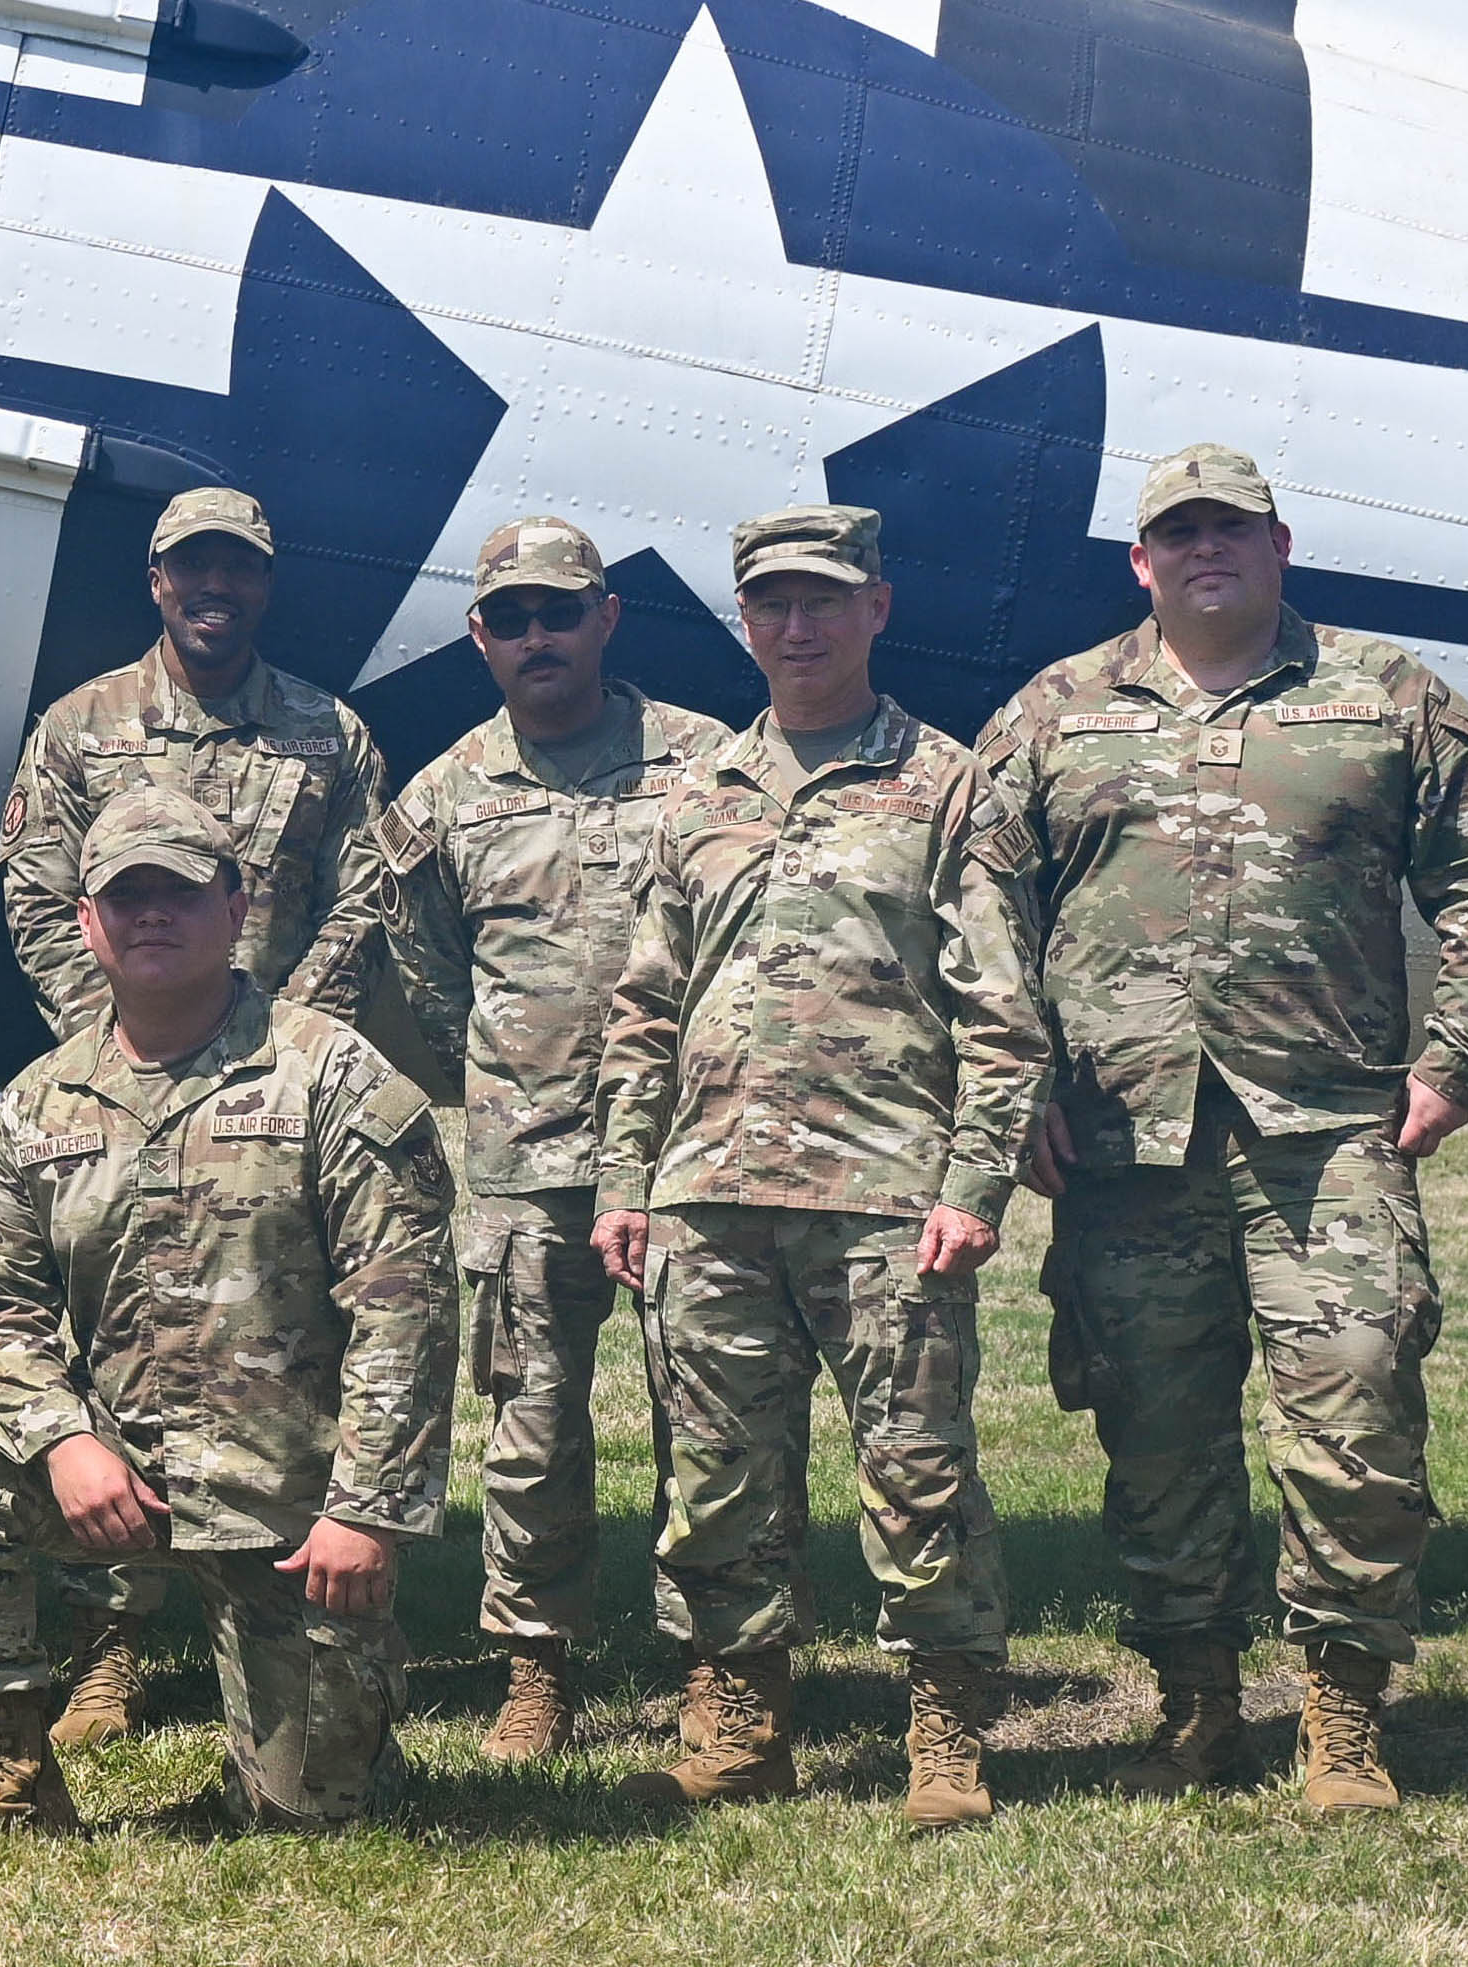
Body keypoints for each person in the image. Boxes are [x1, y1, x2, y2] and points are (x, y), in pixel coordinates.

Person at [971, 445, 1468, 1812]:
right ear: (1138, 559)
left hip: (1327, 1130)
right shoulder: (1055, 708)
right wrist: (1019, 1080)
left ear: (1278, 544)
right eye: (1177, 531)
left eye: (1228, 528)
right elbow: (974, 902)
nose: (1202, 549)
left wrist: (1456, 1054)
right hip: (1119, 1139)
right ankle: (1194, 1702)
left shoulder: (1386, 695)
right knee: (1153, 1435)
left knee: (1354, 1407)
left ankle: (1340, 1715)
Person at [0, 787, 453, 1841]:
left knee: (309, 1815)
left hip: (290, 1496)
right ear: (85, 922)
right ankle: (9, 1775)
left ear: (235, 909)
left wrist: (365, 1511)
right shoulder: (42, 1102)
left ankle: (349, 1737)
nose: (151, 916)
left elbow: (403, 1313)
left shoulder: (334, 1076)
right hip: (120, 1467)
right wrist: (63, 1440)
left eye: (178, 892)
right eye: (124, 897)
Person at [591, 504, 1040, 1830]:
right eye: (772, 604)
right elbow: (642, 1004)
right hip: (707, 1189)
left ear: (874, 608)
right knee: (713, 1477)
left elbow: (999, 1012)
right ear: (744, 621)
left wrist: (972, 1185)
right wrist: (624, 1178)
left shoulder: (945, 783)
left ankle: (945, 1733)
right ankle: (740, 1719)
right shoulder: (696, 795)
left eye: (822, 600)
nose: (796, 625)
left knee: (914, 1470)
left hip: (882, 1191)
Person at [281, 517, 731, 1758]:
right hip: (528, 1167)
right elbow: (431, 984)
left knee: (709, 1420)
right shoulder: (444, 794)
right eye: (512, 616)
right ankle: (536, 1667)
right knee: (532, 1429)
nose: (539, 635)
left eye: (562, 610)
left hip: (689, 1155)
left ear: (607, 620)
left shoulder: (705, 765)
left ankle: (715, 1663)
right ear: (480, 635)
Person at [0, 486, 385, 1743]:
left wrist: (267, 1037)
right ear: (155, 580)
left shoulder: (330, 732)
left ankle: (273, 1599)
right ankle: (107, 1637)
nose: (215, 586)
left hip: (274, 1088)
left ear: (264, 584)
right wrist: (118, 1030)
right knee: (121, 1340)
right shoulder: (81, 725)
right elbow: (40, 891)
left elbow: (363, 894)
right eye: (190, 567)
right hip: (116, 1080)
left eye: (239, 569)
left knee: (259, 1346)